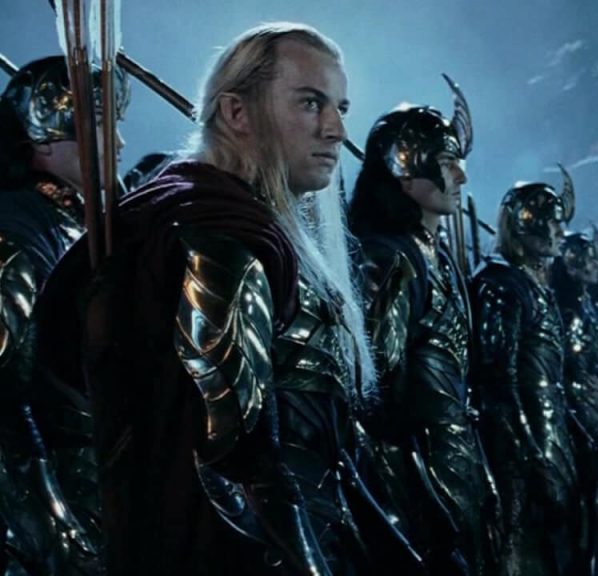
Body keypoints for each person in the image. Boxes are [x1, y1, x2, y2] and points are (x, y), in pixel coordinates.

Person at [34, 23, 390, 575]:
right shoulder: (220, 236)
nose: (337, 130)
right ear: (237, 112)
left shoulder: (244, 224)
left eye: (340, 107)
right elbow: (232, 468)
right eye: (311, 103)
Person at [348, 81, 499, 575]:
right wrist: (417, 501)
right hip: (415, 482)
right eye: (448, 161)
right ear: (405, 165)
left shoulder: (439, 259)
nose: (461, 175)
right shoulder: (388, 262)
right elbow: (377, 404)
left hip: (458, 461)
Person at [0, 55, 129, 576]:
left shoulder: (83, 224)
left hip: (110, 473)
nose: (118, 143)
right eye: (99, 125)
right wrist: (51, 523)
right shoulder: (17, 226)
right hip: (50, 490)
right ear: (45, 133)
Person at [469, 173, 584, 576]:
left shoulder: (532, 286)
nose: (560, 232)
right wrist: (530, 453)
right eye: (552, 222)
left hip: (548, 439)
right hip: (516, 454)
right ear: (525, 222)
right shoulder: (501, 287)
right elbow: (498, 383)